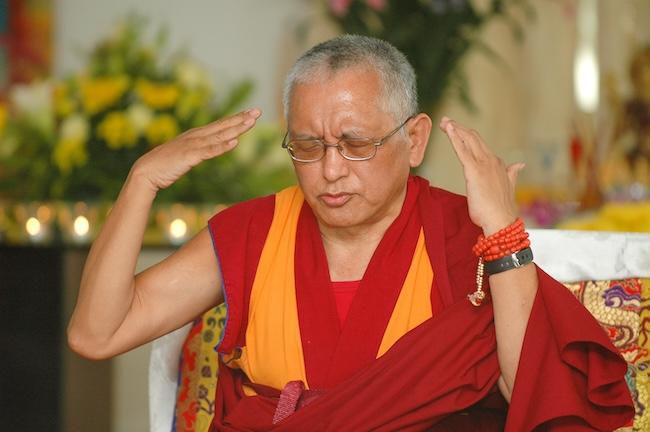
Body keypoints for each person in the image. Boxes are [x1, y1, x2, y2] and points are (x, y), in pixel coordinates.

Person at [68, 35, 633, 431]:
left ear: (414, 141)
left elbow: (528, 397)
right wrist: (141, 181)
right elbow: (96, 334)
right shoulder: (255, 230)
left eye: (357, 144)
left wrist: (504, 234)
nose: (330, 170)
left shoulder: (461, 234)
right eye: (308, 147)